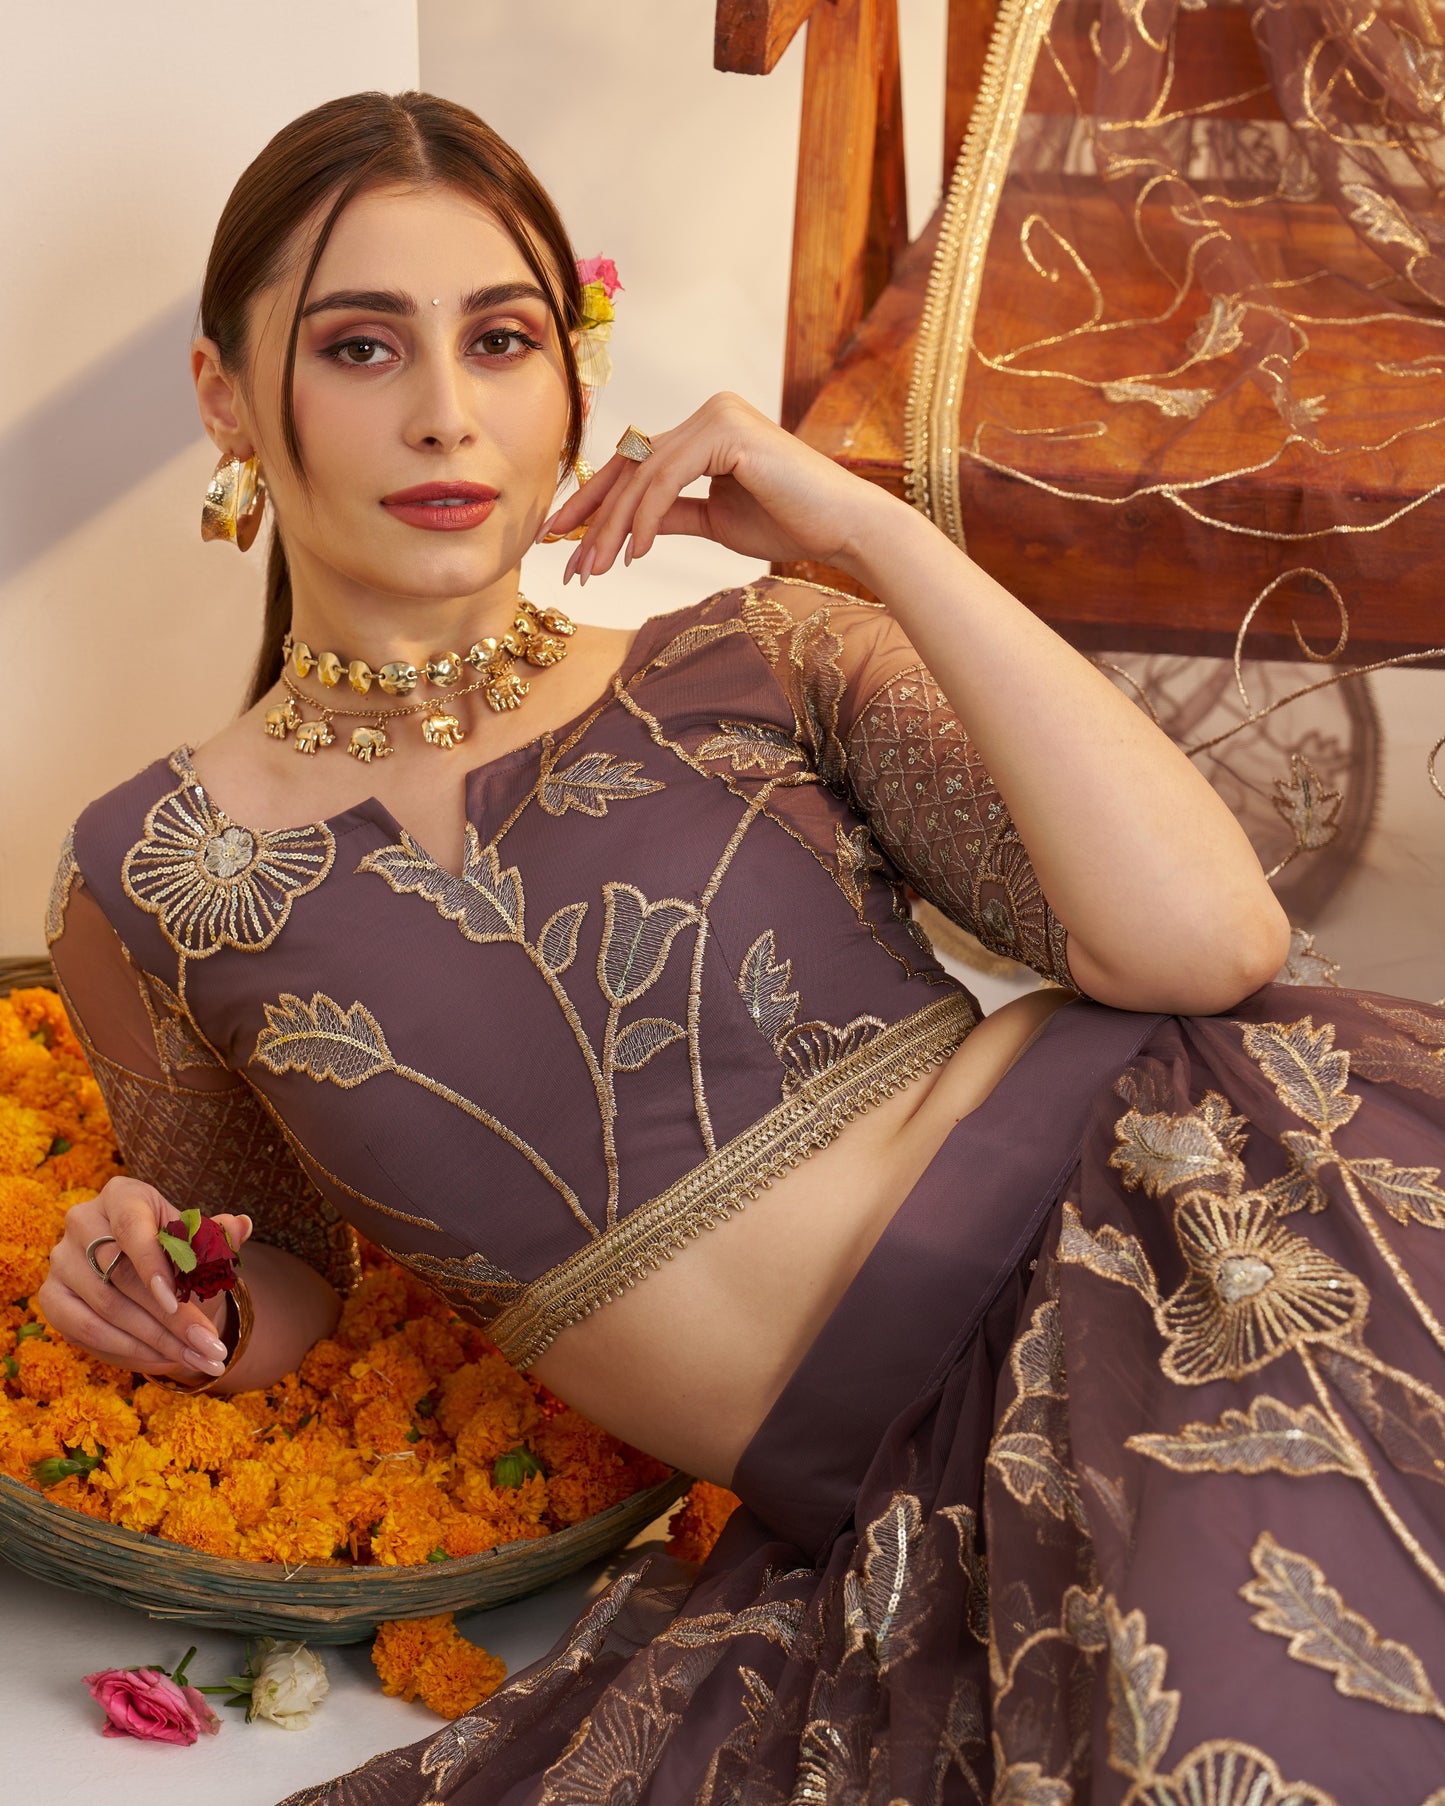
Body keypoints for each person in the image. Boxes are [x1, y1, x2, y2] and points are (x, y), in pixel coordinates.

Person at [36, 90, 1445, 1803]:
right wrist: (147, 1277)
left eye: (500, 339)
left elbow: (1208, 940)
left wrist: (874, 539)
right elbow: (282, 1283)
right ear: (225, 396)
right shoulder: (142, 878)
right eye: (357, 347)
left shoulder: (755, 652)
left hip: (1177, 1227)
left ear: (572, 382)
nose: (442, 412)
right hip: (888, 1493)